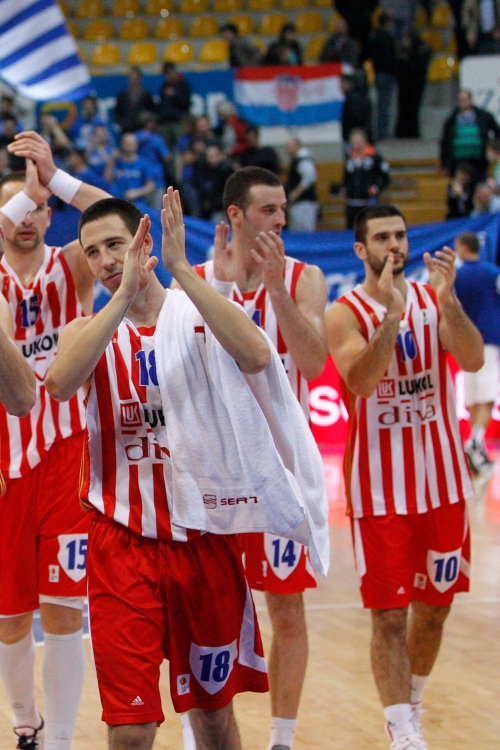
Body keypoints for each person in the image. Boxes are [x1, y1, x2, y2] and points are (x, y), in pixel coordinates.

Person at [45, 188, 272, 750]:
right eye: (92, 252)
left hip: (205, 542)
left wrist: (182, 272)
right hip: (122, 546)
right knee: (130, 730)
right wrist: (122, 297)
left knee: (213, 718)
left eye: (115, 245)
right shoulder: (86, 331)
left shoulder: (197, 317)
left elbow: (257, 355)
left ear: (144, 244)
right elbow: (59, 384)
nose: (105, 260)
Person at [325, 204, 482, 750]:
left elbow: (472, 360)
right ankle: (401, 729)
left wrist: (449, 302)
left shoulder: (433, 298)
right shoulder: (343, 312)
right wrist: (391, 318)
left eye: (400, 235)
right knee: (389, 617)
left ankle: (411, 702)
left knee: (435, 610)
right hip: (379, 491)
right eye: (381, 237)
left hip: (444, 483)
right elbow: (361, 382)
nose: (394, 245)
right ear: (360, 249)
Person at [185, 166, 329, 750]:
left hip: (279, 476)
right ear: (236, 215)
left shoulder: (304, 278)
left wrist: (276, 291)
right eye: (269, 210)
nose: (281, 220)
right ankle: (201, 734)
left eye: (284, 209)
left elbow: (314, 363)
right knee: (204, 615)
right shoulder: (195, 281)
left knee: (287, 610)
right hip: (213, 476)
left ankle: (282, 740)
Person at [0, 130, 110, 750]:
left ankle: (61, 739)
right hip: (4, 460)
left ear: (51, 216)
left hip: (68, 454)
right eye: (15, 209)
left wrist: (55, 179)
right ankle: (26, 723)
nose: (26, 219)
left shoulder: (72, 264)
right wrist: (27, 192)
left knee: (66, 607)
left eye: (38, 210)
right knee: (10, 615)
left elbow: (119, 220)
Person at [454, 231, 500, 474]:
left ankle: (477, 451)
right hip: (489, 340)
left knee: (473, 398)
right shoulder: (493, 273)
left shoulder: (456, 276)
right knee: (487, 396)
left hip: (465, 342)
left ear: (463, 247)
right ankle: (475, 440)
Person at [440, 90, 500, 186]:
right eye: (461, 100)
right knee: (461, 185)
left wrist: (494, 148)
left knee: (479, 184)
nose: (464, 102)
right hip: (459, 160)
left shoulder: (483, 116)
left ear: (471, 100)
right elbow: (445, 142)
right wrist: (445, 164)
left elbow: (497, 131)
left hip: (479, 160)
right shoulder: (451, 120)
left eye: (466, 99)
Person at [343, 128, 390, 228]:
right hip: (352, 202)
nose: (356, 146)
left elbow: (386, 178)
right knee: (352, 228)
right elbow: (346, 177)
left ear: (364, 141)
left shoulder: (374, 157)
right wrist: (345, 188)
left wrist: (375, 188)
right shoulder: (350, 157)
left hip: (368, 202)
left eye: (358, 142)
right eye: (353, 143)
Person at [394, 31, 431, 139]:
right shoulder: (403, 51)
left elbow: (418, 67)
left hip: (415, 85)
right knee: (403, 109)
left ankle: (412, 132)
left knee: (413, 109)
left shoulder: (421, 51)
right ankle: (402, 131)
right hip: (404, 85)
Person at [105, 132, 156, 207]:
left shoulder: (143, 163)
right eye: (127, 143)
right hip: (118, 203)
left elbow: (151, 186)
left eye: (132, 144)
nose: (130, 146)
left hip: (138, 204)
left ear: (136, 145)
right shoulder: (117, 162)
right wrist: (111, 161)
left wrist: (136, 193)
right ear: (122, 144)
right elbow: (107, 178)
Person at [369, 13, 397, 140]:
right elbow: (388, 57)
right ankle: (382, 132)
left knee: (382, 104)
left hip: (379, 73)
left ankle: (380, 130)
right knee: (384, 105)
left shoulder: (375, 36)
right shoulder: (385, 37)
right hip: (386, 74)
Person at [284, 137, 319, 232]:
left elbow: (310, 177)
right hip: (298, 203)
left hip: (304, 202)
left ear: (298, 146)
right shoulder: (296, 160)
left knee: (304, 230)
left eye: (290, 146)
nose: (287, 149)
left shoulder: (303, 159)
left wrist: (295, 193)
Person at [157, 62, 192, 154]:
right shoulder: (164, 86)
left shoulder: (183, 85)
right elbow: (162, 105)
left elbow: (187, 103)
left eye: (170, 72)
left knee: (181, 147)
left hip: (178, 122)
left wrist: (175, 95)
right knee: (166, 149)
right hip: (166, 123)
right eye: (167, 74)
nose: (169, 75)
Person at [114, 66, 156, 134]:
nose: (133, 79)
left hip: (143, 129)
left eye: (135, 77)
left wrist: (147, 122)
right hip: (127, 129)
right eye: (131, 77)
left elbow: (152, 111)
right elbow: (117, 112)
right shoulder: (122, 96)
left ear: (140, 78)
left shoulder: (146, 95)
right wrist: (122, 123)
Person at [340, 74, 373, 144]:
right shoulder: (358, 96)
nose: (340, 87)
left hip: (356, 136)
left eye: (342, 83)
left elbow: (355, 119)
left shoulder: (353, 99)